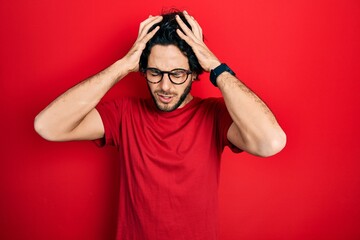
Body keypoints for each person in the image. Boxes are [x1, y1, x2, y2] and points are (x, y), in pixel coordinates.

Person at [34, 10, 286, 240]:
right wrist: (123, 66)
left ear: (195, 72)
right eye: (155, 73)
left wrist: (216, 67)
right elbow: (47, 126)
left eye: (177, 74)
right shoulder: (124, 114)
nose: (165, 86)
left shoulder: (214, 115)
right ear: (142, 70)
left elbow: (270, 143)